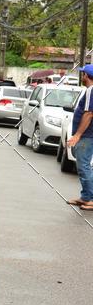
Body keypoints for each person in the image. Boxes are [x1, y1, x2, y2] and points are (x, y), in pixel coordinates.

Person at [67, 64, 93, 210]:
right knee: (85, 166)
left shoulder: (91, 90)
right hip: (88, 134)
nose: (82, 77)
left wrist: (77, 135)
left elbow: (89, 114)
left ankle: (91, 198)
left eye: (83, 74)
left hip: (87, 135)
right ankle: (85, 197)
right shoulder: (89, 90)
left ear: (87, 76)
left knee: (83, 166)